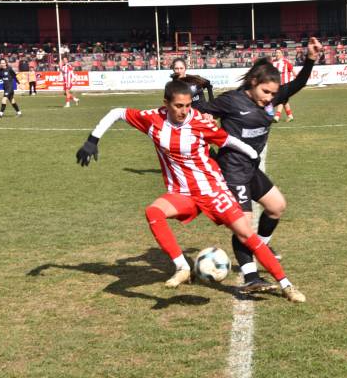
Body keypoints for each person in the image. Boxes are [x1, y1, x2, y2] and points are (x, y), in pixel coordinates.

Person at [74, 79, 306, 303]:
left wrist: (252, 154)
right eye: (178, 106)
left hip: (212, 191)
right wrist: (92, 140)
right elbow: (117, 111)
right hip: (182, 194)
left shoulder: (199, 122)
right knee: (153, 212)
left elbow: (227, 141)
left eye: (187, 105)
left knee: (246, 235)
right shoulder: (152, 119)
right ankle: (183, 267)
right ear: (165, 103)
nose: (185, 111)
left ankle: (286, 285)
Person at [197, 37, 323, 293]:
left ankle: (261, 248)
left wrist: (310, 59)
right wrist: (199, 104)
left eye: (274, 94)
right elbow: (201, 110)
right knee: (243, 227)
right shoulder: (231, 101)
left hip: (250, 168)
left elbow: (298, 83)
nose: (270, 98)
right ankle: (250, 276)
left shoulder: (271, 100)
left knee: (277, 207)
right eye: (266, 92)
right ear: (253, 83)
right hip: (231, 171)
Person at [271, 49, 297, 122]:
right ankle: (290, 115)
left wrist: (297, 80)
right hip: (276, 85)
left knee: (281, 99)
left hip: (285, 85)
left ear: (282, 54)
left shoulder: (286, 63)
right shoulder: (273, 63)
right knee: (284, 101)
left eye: (279, 53)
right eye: (276, 52)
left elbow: (293, 72)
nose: (277, 54)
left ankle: (277, 116)